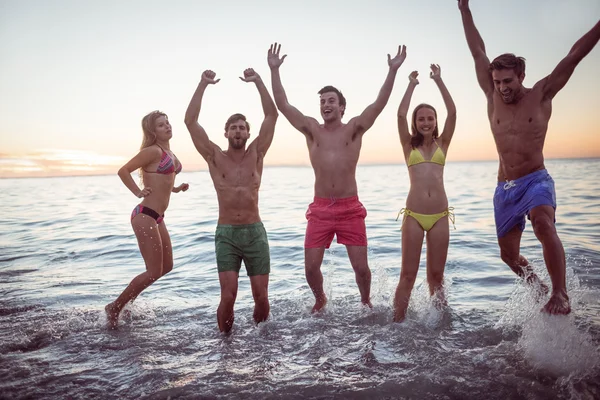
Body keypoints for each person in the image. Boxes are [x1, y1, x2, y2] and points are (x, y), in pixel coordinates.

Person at [458, 0, 600, 314]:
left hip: (536, 179)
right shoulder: (491, 95)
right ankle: (538, 288)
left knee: (543, 225)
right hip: (505, 187)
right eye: (497, 82)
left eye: (508, 81)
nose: (502, 87)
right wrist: (464, 10)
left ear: (521, 74)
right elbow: (477, 51)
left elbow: (574, 56)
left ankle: (560, 294)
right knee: (508, 256)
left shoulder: (541, 94)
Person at [268, 42, 406, 312]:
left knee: (362, 269)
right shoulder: (311, 130)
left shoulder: (354, 129)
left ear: (342, 107)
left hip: (349, 208)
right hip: (320, 208)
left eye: (331, 101)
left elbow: (378, 104)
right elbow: (283, 105)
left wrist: (392, 71)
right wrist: (274, 70)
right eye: (322, 102)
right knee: (310, 268)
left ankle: (365, 300)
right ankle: (321, 298)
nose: (325, 105)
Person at [184, 67, 278, 333]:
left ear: (248, 133)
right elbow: (190, 122)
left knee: (261, 297)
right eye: (233, 128)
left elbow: (272, 115)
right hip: (226, 234)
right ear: (225, 133)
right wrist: (202, 84)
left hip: (255, 232)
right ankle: (225, 346)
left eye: (242, 128)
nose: (238, 131)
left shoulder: (257, 153)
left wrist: (259, 81)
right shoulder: (214, 156)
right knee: (228, 296)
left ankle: (261, 341)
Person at [106, 111, 189, 329]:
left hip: (158, 217)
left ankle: (125, 304)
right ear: (153, 131)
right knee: (153, 271)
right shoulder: (152, 151)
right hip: (144, 215)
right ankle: (115, 307)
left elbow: (164, 181)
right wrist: (137, 191)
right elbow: (123, 171)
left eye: (168, 122)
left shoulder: (169, 152)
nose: (167, 126)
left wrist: (177, 189)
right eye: (161, 125)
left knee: (167, 266)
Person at [393, 65, 457, 322]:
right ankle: (397, 324)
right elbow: (399, 114)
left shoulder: (444, 143)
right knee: (407, 275)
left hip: (440, 215)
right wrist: (411, 84)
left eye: (430, 118)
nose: (426, 122)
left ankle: (439, 324)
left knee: (436, 276)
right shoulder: (409, 145)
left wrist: (439, 80)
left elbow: (453, 111)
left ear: (435, 122)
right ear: (415, 123)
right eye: (421, 119)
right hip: (415, 216)